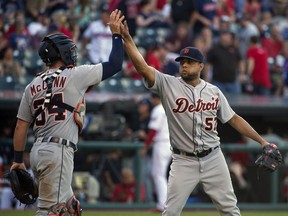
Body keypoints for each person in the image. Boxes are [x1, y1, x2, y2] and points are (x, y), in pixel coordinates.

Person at [120, 19, 276, 215]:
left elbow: (234, 119)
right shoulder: (168, 85)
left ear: (201, 66)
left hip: (213, 157)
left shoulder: (214, 91)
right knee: (170, 212)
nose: (184, 65)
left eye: (189, 62)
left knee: (230, 210)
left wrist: (262, 142)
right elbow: (142, 67)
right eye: (182, 62)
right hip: (183, 160)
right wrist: (127, 38)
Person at [9, 9, 124, 216]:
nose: (73, 53)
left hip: (37, 151)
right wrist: (116, 35)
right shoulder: (75, 75)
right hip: (59, 150)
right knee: (49, 211)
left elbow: (20, 126)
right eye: (69, 49)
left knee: (71, 208)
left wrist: (18, 160)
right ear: (62, 53)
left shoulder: (32, 85)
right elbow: (115, 64)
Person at [141, 93, 171, 212]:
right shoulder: (169, 107)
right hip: (171, 143)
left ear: (155, 98)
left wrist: (146, 146)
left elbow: (153, 130)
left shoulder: (158, 109)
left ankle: (162, 205)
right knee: (161, 174)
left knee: (159, 175)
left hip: (162, 143)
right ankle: (165, 204)